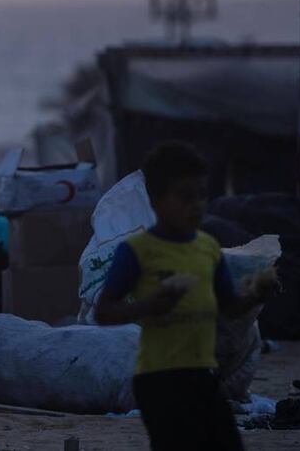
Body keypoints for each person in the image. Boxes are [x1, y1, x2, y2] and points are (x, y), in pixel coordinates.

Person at [95, 142, 277, 451]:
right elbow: (104, 311)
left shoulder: (207, 248)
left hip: (203, 377)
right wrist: (151, 306)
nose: (197, 205)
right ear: (156, 200)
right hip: (158, 380)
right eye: (185, 196)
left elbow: (229, 308)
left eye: (202, 194)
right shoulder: (137, 251)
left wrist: (257, 293)